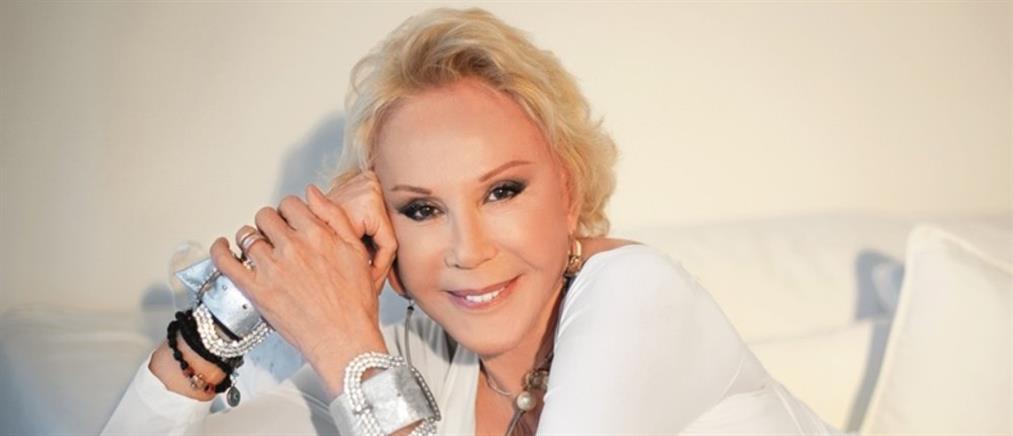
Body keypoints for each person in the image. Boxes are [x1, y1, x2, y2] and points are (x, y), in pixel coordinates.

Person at [102, 7, 841, 435]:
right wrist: (227, 318)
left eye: (502, 191)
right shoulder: (422, 358)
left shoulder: (639, 293)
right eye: (421, 209)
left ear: (569, 190)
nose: (468, 249)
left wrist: (343, 343)